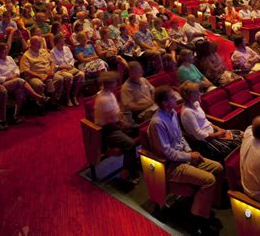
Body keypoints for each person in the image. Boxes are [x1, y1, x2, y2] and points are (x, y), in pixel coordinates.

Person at [148, 85, 224, 234]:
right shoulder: (157, 123)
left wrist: (190, 152)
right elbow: (167, 152)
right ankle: (198, 221)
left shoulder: (172, 113)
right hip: (172, 166)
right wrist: (189, 156)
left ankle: (207, 205)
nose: (176, 98)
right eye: (172, 97)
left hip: (184, 157)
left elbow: (181, 138)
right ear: (164, 102)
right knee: (209, 180)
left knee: (218, 168)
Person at [94, 71, 139, 183]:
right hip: (107, 131)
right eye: (114, 82)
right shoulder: (103, 98)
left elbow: (117, 113)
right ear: (109, 84)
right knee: (130, 144)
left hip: (115, 125)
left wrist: (125, 121)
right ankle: (128, 173)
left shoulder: (109, 93)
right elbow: (114, 119)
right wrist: (125, 122)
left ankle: (134, 162)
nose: (117, 83)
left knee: (140, 128)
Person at [180, 81, 242, 161]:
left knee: (241, 135)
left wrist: (218, 128)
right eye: (196, 92)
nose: (199, 93)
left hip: (213, 132)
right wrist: (217, 134)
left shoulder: (196, 103)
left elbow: (205, 121)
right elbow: (199, 134)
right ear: (188, 96)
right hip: (205, 141)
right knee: (234, 146)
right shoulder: (187, 112)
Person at [0, 42, 45, 122]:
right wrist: (10, 77)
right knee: (19, 80)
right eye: (4, 49)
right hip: (2, 85)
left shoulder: (9, 58)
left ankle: (15, 115)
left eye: (6, 49)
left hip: (15, 81)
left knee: (20, 92)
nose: (6, 51)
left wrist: (16, 74)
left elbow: (17, 69)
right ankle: (36, 96)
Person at [19, 36, 63, 111]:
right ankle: (40, 104)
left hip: (48, 73)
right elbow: (25, 71)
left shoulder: (43, 51)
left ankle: (52, 101)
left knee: (59, 78)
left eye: (40, 42)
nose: (40, 44)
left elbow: (52, 61)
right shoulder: (26, 55)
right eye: (38, 43)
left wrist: (52, 71)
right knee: (38, 84)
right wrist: (39, 76)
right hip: (34, 76)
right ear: (32, 44)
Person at [50, 35, 83, 106]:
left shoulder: (66, 48)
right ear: (56, 43)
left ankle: (74, 95)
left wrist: (70, 65)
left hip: (70, 68)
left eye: (63, 42)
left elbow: (72, 59)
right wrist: (62, 67)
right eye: (61, 42)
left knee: (81, 74)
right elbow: (54, 65)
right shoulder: (52, 52)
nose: (63, 43)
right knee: (69, 76)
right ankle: (67, 97)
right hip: (60, 70)